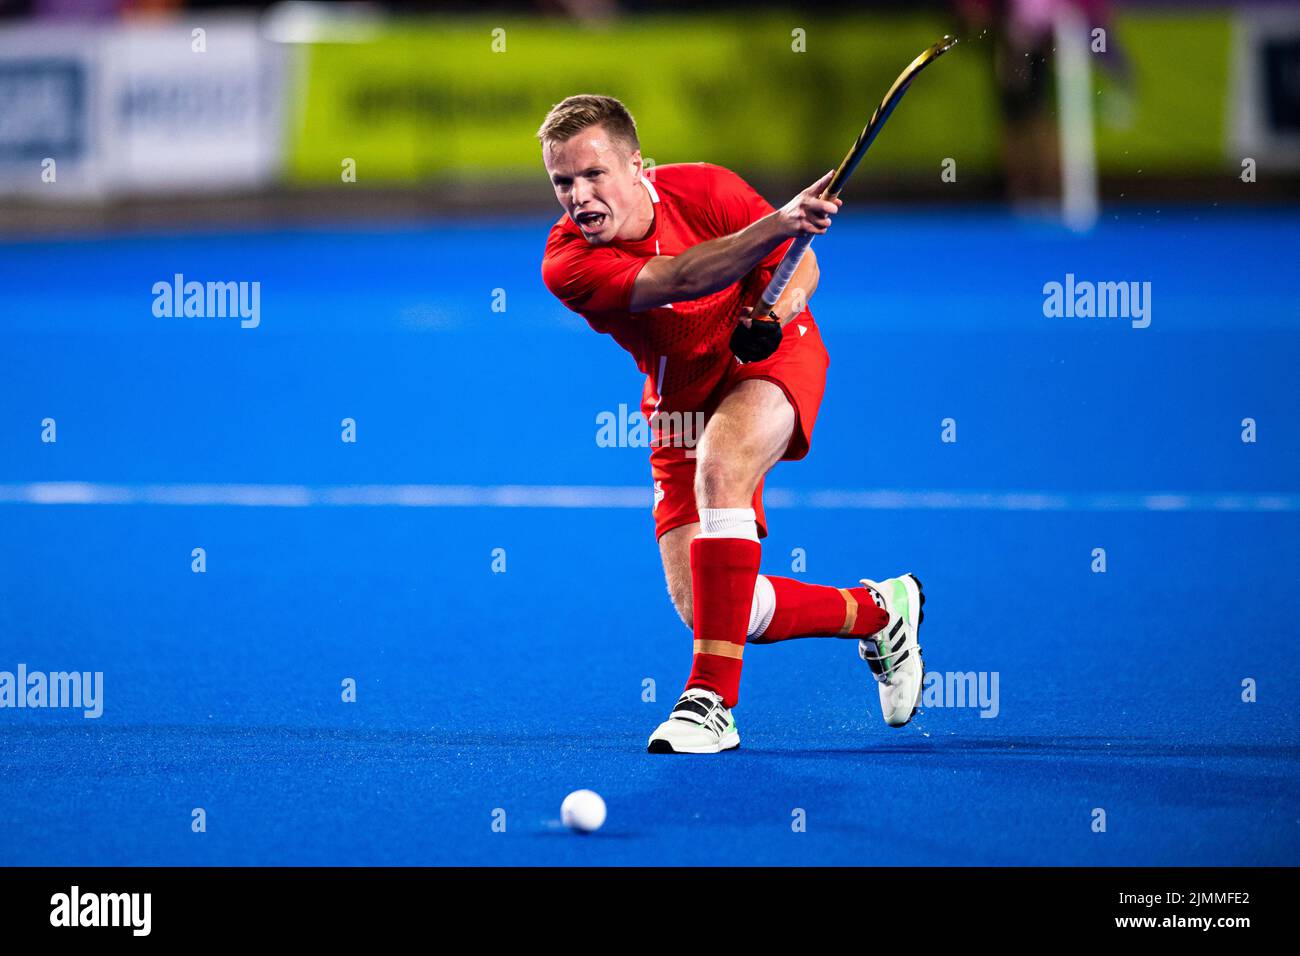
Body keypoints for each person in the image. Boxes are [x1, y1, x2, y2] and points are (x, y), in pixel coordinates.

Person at [537, 94, 924, 754]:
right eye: (562, 181)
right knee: (715, 608)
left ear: (636, 166)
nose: (578, 195)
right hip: (680, 399)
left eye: (593, 174)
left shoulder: (707, 189)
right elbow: (683, 277)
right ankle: (882, 611)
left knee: (724, 463)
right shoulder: (567, 262)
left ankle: (710, 702)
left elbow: (802, 265)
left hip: (775, 355)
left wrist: (778, 307)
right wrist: (778, 223)